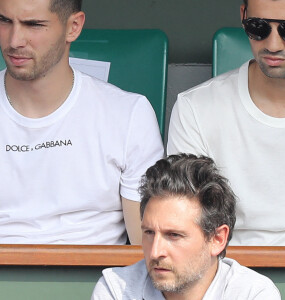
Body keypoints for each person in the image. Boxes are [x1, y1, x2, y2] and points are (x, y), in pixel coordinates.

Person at [0, 0, 163, 245]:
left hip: (99, 278)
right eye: (4, 21)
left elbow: (146, 248)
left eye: (33, 25)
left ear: (73, 27)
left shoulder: (128, 114)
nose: (14, 41)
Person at [167, 0, 285, 246]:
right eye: (258, 27)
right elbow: (188, 221)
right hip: (228, 271)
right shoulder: (196, 108)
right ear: (243, 17)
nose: (273, 44)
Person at [91, 154, 281, 300]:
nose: (155, 252)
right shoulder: (116, 290)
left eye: (173, 235)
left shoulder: (252, 294)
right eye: (149, 232)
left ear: (217, 239)